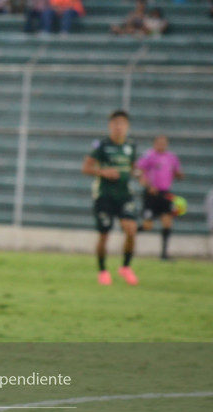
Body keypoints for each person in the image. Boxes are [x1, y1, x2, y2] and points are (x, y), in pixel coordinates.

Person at [81, 110, 139, 286]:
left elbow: (134, 168)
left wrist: (141, 175)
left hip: (124, 195)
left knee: (131, 230)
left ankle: (125, 267)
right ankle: (103, 271)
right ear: (110, 125)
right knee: (104, 235)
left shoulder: (131, 146)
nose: (118, 127)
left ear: (127, 126)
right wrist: (103, 172)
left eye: (122, 123)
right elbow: (86, 168)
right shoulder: (101, 146)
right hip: (104, 195)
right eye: (115, 123)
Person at [135, 135, 184, 260]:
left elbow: (178, 173)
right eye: (159, 143)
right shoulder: (149, 155)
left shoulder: (172, 157)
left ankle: (164, 254)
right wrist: (147, 185)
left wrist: (179, 174)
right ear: (154, 143)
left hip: (166, 193)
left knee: (167, 222)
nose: (161, 145)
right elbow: (138, 171)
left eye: (164, 143)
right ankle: (130, 234)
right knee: (147, 226)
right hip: (151, 193)